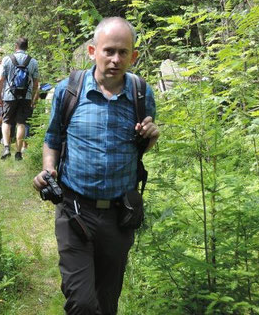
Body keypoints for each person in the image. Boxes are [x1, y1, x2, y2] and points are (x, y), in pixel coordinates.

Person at [32, 17, 160, 315]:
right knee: (82, 303)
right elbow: (52, 138)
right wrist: (48, 169)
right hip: (74, 209)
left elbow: (141, 148)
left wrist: (151, 138)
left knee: (107, 302)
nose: (115, 59)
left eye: (123, 52)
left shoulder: (142, 94)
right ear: (93, 51)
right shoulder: (69, 91)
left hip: (119, 216)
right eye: (109, 51)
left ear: (134, 56)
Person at [0, 37, 39, 161]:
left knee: (6, 121)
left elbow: (0, 80)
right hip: (26, 96)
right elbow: (36, 83)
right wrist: (34, 98)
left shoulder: (7, 59)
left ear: (16, 46)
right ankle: (18, 152)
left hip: (9, 95)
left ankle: (6, 147)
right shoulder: (33, 61)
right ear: (27, 47)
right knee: (21, 123)